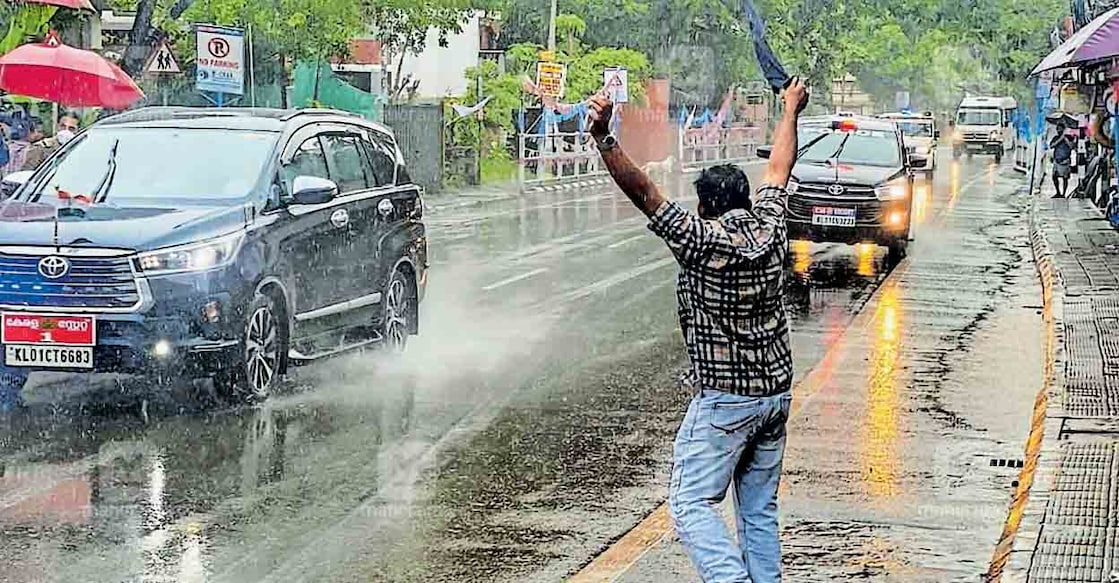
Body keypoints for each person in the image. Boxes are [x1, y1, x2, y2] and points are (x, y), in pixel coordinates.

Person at [588, 78, 809, 583]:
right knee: (757, 510)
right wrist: (790, 108)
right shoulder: (772, 225)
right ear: (746, 200)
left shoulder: (700, 238)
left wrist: (604, 137)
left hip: (726, 401)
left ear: (706, 206)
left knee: (689, 503)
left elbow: (644, 192)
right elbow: (780, 167)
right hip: (775, 396)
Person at [1051, 130, 1074, 198]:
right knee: (1054, 176)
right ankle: (1058, 192)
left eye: (1060, 129)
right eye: (1057, 128)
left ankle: (1064, 193)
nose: (1059, 130)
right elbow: (1052, 145)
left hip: (1065, 161)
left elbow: (1071, 147)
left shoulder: (1070, 137)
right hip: (1057, 161)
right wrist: (1060, 139)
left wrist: (1065, 139)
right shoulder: (1056, 138)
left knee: (1065, 178)